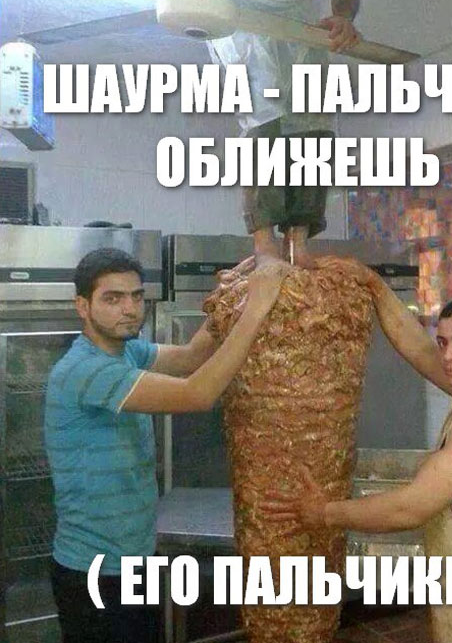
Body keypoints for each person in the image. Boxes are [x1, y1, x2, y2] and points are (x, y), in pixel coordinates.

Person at [264, 260, 452, 643]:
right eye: (444, 343)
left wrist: (323, 513)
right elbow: (418, 348)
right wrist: (375, 285)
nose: (448, 355)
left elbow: (409, 508)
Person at [45, 248, 288, 643]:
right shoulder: (84, 370)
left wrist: (233, 292)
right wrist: (257, 308)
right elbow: (197, 394)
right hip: (94, 572)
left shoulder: (127, 352)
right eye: (113, 298)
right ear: (82, 306)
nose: (129, 309)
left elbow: (192, 357)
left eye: (136, 296)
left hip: (136, 560)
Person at [187, 0, 363, 267]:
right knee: (263, 111)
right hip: (239, 10)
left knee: (315, 117)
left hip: (298, 14)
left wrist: (343, 16)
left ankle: (299, 239)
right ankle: (264, 243)